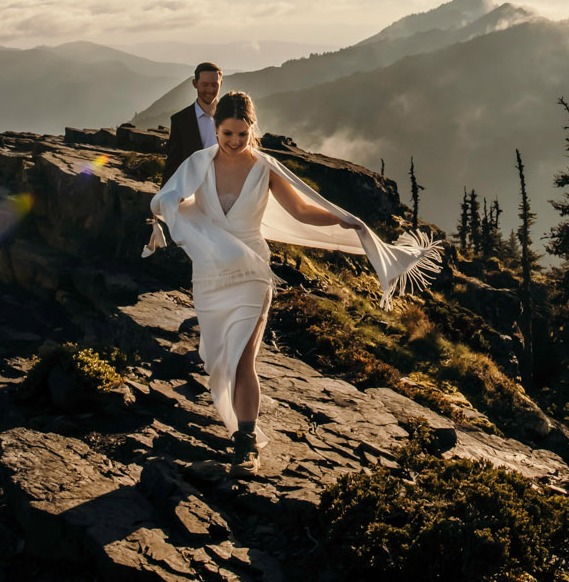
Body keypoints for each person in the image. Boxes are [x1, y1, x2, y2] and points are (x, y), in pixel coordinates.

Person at [142, 90, 443, 476]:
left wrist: (342, 221)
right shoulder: (199, 164)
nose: (234, 142)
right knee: (219, 361)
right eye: (227, 133)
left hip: (252, 272)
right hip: (211, 275)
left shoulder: (265, 168)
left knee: (241, 357)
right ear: (215, 129)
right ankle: (240, 433)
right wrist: (167, 219)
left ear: (253, 130)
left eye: (242, 134)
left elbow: (300, 210)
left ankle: (245, 445)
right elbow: (168, 198)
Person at [162, 62, 222, 180]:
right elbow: (173, 165)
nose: (210, 90)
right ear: (195, 84)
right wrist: (165, 196)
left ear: (221, 84)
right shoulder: (180, 121)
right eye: (205, 84)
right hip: (193, 192)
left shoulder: (231, 116)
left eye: (214, 85)